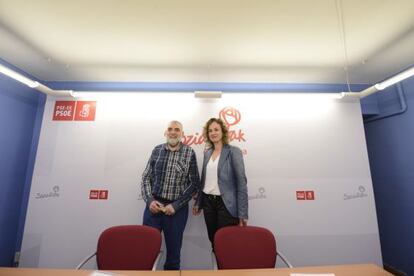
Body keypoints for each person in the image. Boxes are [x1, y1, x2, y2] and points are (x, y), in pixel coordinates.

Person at [141, 120, 200, 270]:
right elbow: (146, 177)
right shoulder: (157, 150)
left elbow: (194, 183)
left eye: (177, 129)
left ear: (182, 134)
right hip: (153, 207)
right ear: (165, 132)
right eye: (170, 129)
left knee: (173, 256)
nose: (173, 132)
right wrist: (149, 201)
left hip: (176, 211)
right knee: (146, 251)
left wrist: (176, 205)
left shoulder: (189, 153)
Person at [193, 118, 248, 248]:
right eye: (210, 130)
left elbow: (241, 183)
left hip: (226, 205)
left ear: (223, 132)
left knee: (226, 244)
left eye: (216, 129)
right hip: (208, 203)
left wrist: (243, 213)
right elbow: (204, 180)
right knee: (213, 241)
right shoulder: (207, 153)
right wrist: (198, 202)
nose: (213, 133)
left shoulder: (234, 151)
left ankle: (225, 268)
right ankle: (216, 267)